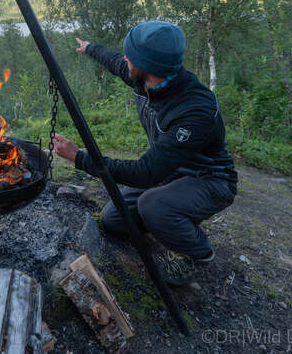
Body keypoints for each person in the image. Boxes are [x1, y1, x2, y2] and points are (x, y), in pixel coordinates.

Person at [52, 21, 237, 285]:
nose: (125, 58)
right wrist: (90, 48)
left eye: (132, 55)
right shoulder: (145, 77)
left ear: (148, 66)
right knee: (114, 221)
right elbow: (117, 61)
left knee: (152, 205)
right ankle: (167, 220)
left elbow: (146, 173)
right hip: (170, 170)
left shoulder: (195, 110)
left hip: (208, 179)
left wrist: (79, 157)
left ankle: (198, 253)